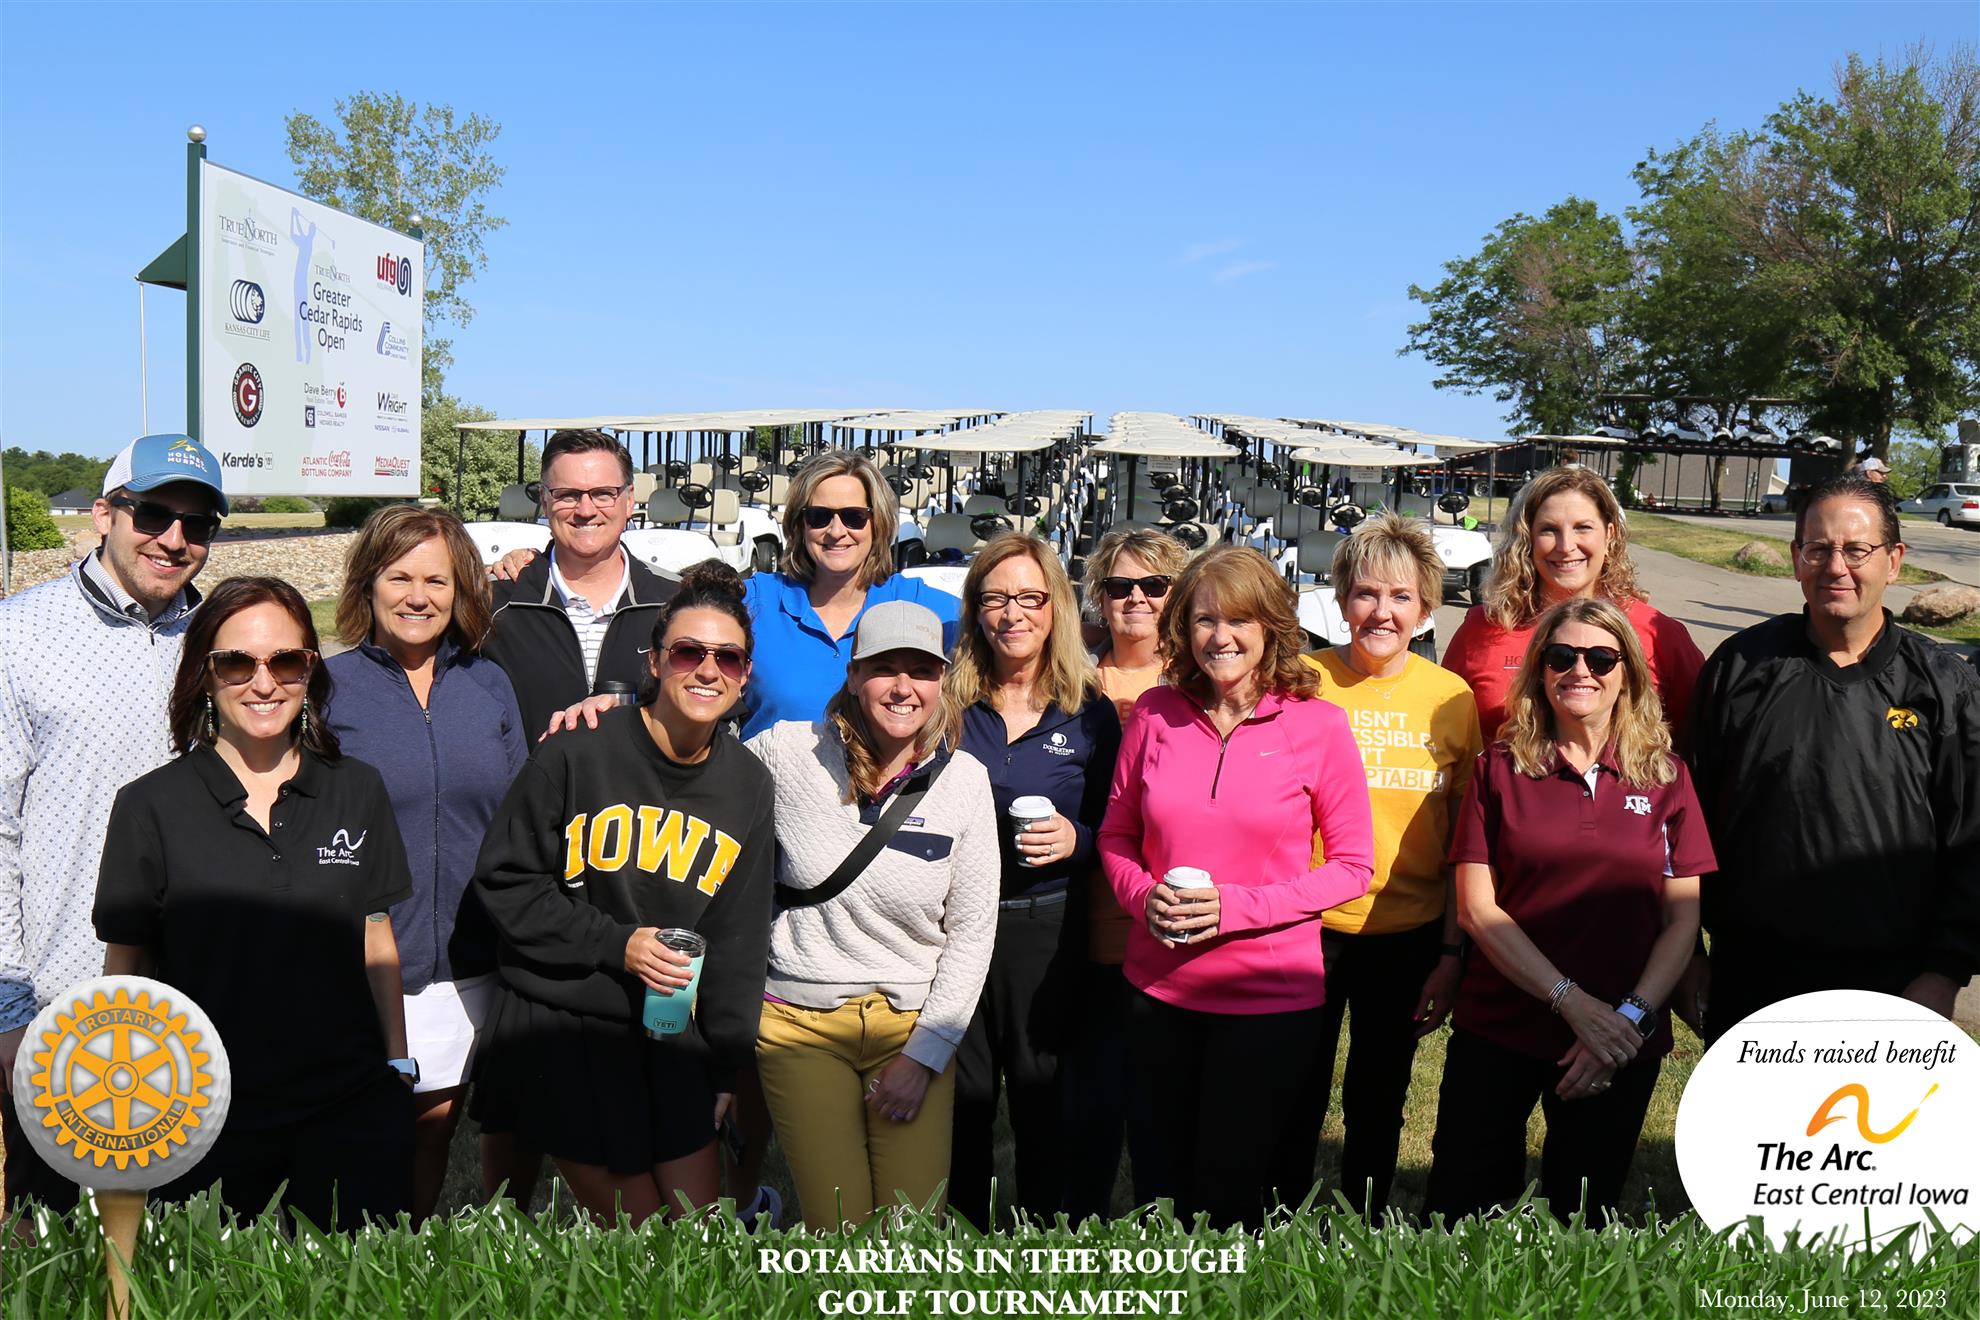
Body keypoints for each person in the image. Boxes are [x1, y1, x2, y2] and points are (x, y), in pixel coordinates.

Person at [94, 577, 417, 1228]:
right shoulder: (149, 806)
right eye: (237, 662)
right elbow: (124, 972)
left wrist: (397, 1067)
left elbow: (376, 935)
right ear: (204, 677)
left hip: (346, 1109)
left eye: (286, 661)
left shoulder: (358, 789)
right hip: (203, 1114)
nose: (263, 683)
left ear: (311, 672)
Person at [469, 562, 775, 1226]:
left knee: (700, 1234)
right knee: (645, 1236)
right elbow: (505, 878)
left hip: (667, 1028)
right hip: (562, 1018)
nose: (707, 669)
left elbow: (739, 936)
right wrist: (619, 944)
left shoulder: (747, 784)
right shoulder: (579, 749)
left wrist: (725, 1064)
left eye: (729, 657)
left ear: (746, 675)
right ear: (655, 662)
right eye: (688, 652)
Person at [1099, 545, 1374, 1229]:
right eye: (1202, 620)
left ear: (1271, 627)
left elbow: (1352, 866)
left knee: (1232, 1192)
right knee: (1160, 1187)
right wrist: (1142, 898)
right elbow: (1115, 836)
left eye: (1239, 621)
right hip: (1157, 989)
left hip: (1268, 997)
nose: (1220, 638)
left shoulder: (1318, 725)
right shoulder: (1156, 713)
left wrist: (1235, 909)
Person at [1423, 597, 1711, 1226]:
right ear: (1540, 670)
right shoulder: (1498, 768)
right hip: (1500, 1028)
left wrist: (1625, 1020)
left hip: (1620, 1039)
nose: (1581, 670)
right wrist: (1574, 1005)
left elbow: (1681, 921)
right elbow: (1476, 907)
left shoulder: (1665, 777)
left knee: (1583, 1224)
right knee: (1457, 1219)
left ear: (1627, 674)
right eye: (1562, 656)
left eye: (1601, 657)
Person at [0, 432, 227, 1216]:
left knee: (193, 1241)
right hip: (63, 1001)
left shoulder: (220, 643)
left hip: (199, 999)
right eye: (154, 513)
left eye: (198, 525)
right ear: (104, 513)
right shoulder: (20, 633)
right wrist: (8, 1001)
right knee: (59, 1241)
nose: (174, 539)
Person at [1686, 475, 1979, 1040]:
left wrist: (1944, 973)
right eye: (1817, 549)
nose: (1835, 566)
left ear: (1894, 561)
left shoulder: (1945, 687)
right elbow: (1686, 823)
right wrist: (1689, 952)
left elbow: (1972, 841)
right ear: (1796, 558)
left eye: (1857, 550)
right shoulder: (1739, 668)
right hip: (1753, 978)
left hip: (1894, 985)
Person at [747, 602, 999, 1229]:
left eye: (921, 671)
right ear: (854, 676)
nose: (903, 687)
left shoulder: (964, 780)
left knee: (913, 1233)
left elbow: (972, 931)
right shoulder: (786, 752)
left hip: (909, 1029)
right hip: (800, 1025)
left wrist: (925, 1056)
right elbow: (690, 767)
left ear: (943, 682)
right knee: (839, 1228)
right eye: (884, 669)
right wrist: (619, 714)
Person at [323, 505, 533, 1221]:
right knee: (358, 1130)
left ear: (462, 589)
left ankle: (402, 1256)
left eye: (436, 580)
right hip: (360, 957)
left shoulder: (489, 686)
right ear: (368, 584)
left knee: (432, 1126)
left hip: (471, 959)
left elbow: (517, 820)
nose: (419, 596)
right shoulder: (326, 687)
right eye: (400, 576)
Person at [1296, 514, 1483, 1218]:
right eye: (1367, 594)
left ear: (1426, 608)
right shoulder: (1304, 681)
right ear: (1341, 601)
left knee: (1379, 1095)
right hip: (1307, 926)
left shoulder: (1451, 698)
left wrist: (1450, 951)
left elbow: (1466, 833)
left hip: (1406, 932)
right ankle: (1282, 1210)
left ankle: (1365, 1221)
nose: (1382, 611)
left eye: (1401, 597)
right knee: (1297, 1087)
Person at [946, 533, 1121, 1228]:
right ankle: (959, 1236)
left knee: (1044, 1094)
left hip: (1047, 925)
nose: (1012, 613)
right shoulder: (946, 705)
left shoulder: (1089, 710)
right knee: (963, 1096)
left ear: (1056, 608)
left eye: (1028, 597)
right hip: (954, 923)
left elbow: (1125, 831)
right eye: (995, 598)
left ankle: (1044, 1242)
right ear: (975, 610)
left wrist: (1080, 839)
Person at [1064, 526, 1188, 1221]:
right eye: (1119, 587)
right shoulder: (1073, 679)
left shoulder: (1198, 677)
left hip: (1169, 915)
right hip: (1084, 914)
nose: (1136, 599)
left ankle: (1161, 1228)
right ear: (1099, 598)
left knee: (1159, 1096)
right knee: (1090, 1095)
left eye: (1153, 585)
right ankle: (1077, 1228)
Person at [1441, 466, 1703, 740]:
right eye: (1549, 530)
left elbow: (1699, 745)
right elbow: (1445, 736)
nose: (1566, 546)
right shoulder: (1482, 629)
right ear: (1527, 537)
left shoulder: (1658, 635)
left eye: (1583, 528)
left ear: (1609, 533)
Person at [742, 451, 962, 738]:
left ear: (877, 523)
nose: (836, 531)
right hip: (770, 780)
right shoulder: (758, 600)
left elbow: (999, 627)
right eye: (819, 517)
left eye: (853, 517)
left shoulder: (914, 603)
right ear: (800, 525)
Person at [483, 428, 679, 742]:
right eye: (568, 495)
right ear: (545, 502)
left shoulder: (676, 603)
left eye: (603, 493)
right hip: (528, 790)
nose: (585, 510)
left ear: (629, 501)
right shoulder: (494, 602)